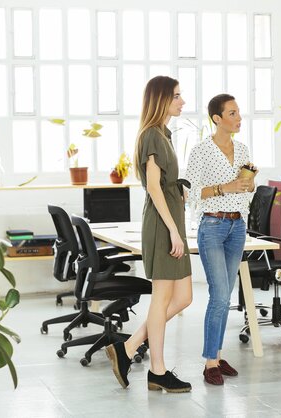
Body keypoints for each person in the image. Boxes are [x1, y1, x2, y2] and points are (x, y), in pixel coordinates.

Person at [106, 75, 193, 394]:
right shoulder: (152, 136)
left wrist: (179, 188)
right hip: (161, 224)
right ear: (161, 100)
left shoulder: (164, 134)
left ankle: (127, 348)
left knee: (184, 296)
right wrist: (173, 230)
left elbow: (165, 182)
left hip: (171, 218)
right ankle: (157, 370)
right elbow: (153, 186)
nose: (183, 101)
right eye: (177, 96)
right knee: (162, 298)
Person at [185, 94, 256, 386]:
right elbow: (190, 192)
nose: (238, 117)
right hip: (212, 225)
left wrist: (248, 183)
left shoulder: (242, 149)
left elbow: (246, 191)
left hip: (236, 226)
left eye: (239, 112)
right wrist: (225, 187)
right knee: (219, 294)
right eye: (232, 113)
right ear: (217, 118)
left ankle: (217, 353)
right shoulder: (201, 151)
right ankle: (210, 362)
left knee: (226, 296)